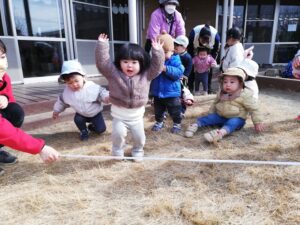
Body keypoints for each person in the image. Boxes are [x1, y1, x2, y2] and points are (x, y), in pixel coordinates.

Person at [95, 33, 164, 161]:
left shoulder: (146, 74)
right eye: (125, 62)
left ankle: (137, 150)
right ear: (119, 63)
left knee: (139, 137)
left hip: (137, 117)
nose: (129, 65)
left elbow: (157, 67)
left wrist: (157, 51)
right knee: (118, 135)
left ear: (141, 63)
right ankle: (117, 151)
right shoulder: (113, 73)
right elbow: (103, 63)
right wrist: (102, 46)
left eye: (134, 62)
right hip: (119, 116)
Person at [185, 67, 264, 143]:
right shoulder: (222, 93)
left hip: (237, 118)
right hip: (220, 117)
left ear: (240, 84)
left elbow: (254, 109)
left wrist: (257, 122)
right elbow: (215, 103)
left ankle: (220, 133)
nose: (228, 85)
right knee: (209, 118)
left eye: (232, 82)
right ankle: (195, 125)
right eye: (225, 82)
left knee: (233, 122)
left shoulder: (244, 95)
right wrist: (211, 114)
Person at [53, 60, 109, 141]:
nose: (74, 85)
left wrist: (107, 97)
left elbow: (101, 93)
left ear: (83, 77)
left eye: (76, 81)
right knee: (78, 119)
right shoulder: (67, 92)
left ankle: (91, 127)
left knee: (101, 130)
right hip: (81, 114)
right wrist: (56, 110)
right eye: (69, 83)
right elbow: (62, 101)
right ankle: (83, 131)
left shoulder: (91, 87)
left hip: (95, 114)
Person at [150, 33, 184, 134]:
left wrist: (165, 68)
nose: (162, 55)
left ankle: (177, 123)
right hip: (158, 92)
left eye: (165, 52)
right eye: (159, 52)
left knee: (175, 110)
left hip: (171, 92)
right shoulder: (155, 61)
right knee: (158, 110)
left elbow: (178, 72)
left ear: (172, 50)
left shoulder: (175, 59)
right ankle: (159, 122)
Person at [0, 40, 25, 165]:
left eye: (2, 57)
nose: (1, 62)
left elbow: (10, 98)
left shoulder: (5, 78)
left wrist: (5, 98)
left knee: (15, 112)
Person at [187, 24, 220, 94]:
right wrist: (193, 62)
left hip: (209, 49)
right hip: (195, 47)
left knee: (209, 70)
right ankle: (190, 87)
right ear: (199, 37)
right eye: (202, 41)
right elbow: (190, 49)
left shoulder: (216, 37)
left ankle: (208, 88)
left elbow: (215, 51)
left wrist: (211, 62)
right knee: (192, 67)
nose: (204, 43)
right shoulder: (193, 34)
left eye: (206, 41)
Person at [174, 35, 193, 116]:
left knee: (182, 94)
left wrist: (184, 76)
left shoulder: (187, 57)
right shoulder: (174, 55)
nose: (176, 46)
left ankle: (182, 110)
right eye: (175, 44)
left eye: (178, 45)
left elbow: (189, 68)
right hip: (174, 77)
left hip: (182, 79)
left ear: (184, 47)